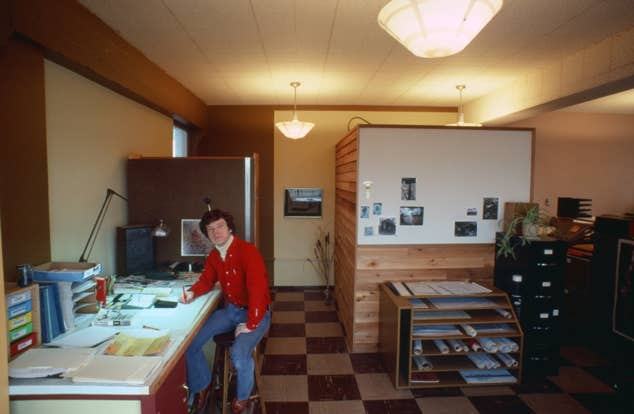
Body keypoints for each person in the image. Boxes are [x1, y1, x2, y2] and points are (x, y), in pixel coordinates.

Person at [179, 208, 271, 414]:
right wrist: (192, 294)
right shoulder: (214, 255)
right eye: (210, 229)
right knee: (190, 343)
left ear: (229, 228)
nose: (215, 232)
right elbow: (207, 280)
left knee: (239, 354)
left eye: (220, 226)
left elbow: (258, 290)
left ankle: (243, 397)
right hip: (231, 311)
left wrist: (251, 324)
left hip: (256, 313)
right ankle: (202, 385)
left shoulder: (248, 251)